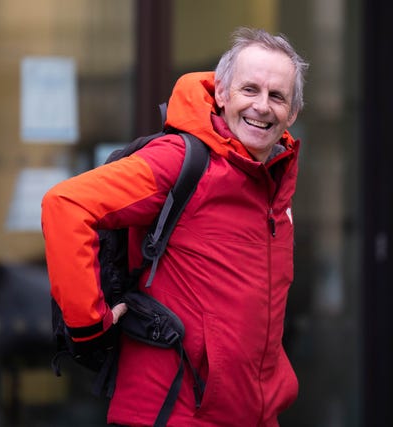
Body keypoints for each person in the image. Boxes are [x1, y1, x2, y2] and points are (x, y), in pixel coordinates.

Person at [41, 27, 309, 426]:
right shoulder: (180, 160)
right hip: (172, 413)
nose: (262, 107)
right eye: (249, 89)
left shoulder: (274, 185)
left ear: (292, 113)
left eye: (277, 96)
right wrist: (88, 324)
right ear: (221, 93)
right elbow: (65, 205)